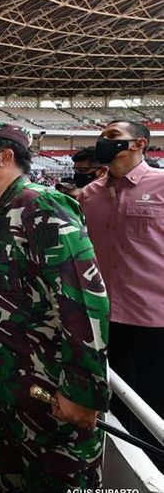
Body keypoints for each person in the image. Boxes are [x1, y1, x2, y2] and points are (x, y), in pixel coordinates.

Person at [0, 122, 110, 493]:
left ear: (4, 157)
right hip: (12, 393)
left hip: (53, 402)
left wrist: (82, 391)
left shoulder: (40, 204)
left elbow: (84, 298)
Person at [78, 120, 164, 459]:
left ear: (139, 144)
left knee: (154, 411)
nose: (104, 142)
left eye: (113, 137)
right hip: (100, 321)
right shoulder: (89, 195)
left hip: (154, 322)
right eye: (102, 136)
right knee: (110, 410)